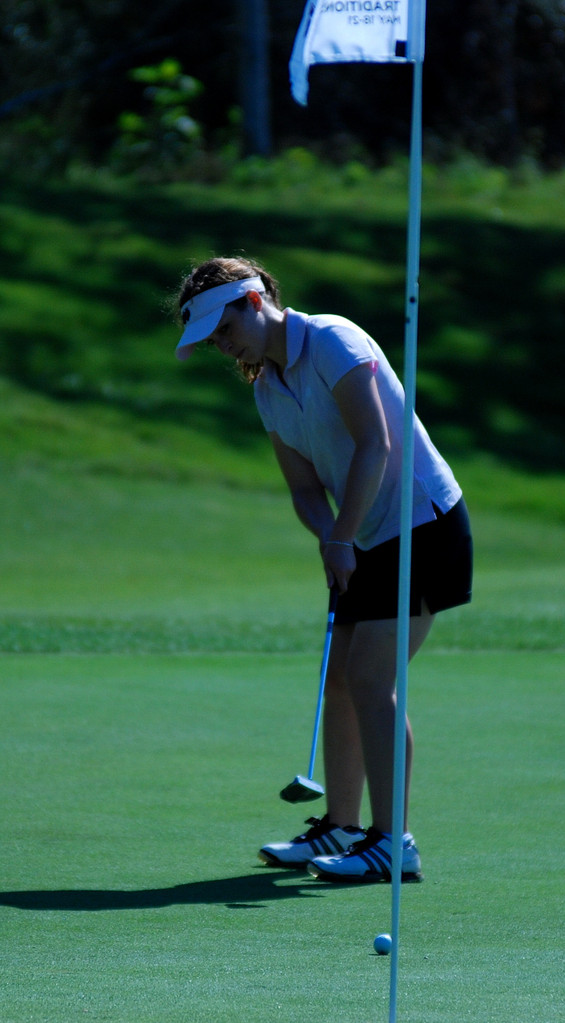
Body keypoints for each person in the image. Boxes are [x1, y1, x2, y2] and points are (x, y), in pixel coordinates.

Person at [174, 256, 472, 883]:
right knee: (339, 679)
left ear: (254, 301)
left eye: (223, 330)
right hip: (360, 536)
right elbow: (304, 487)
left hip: (422, 523)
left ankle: (394, 842)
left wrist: (343, 538)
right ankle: (339, 825)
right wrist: (330, 538)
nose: (222, 346)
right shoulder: (267, 387)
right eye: (212, 341)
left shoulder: (335, 339)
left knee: (370, 678)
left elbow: (376, 445)